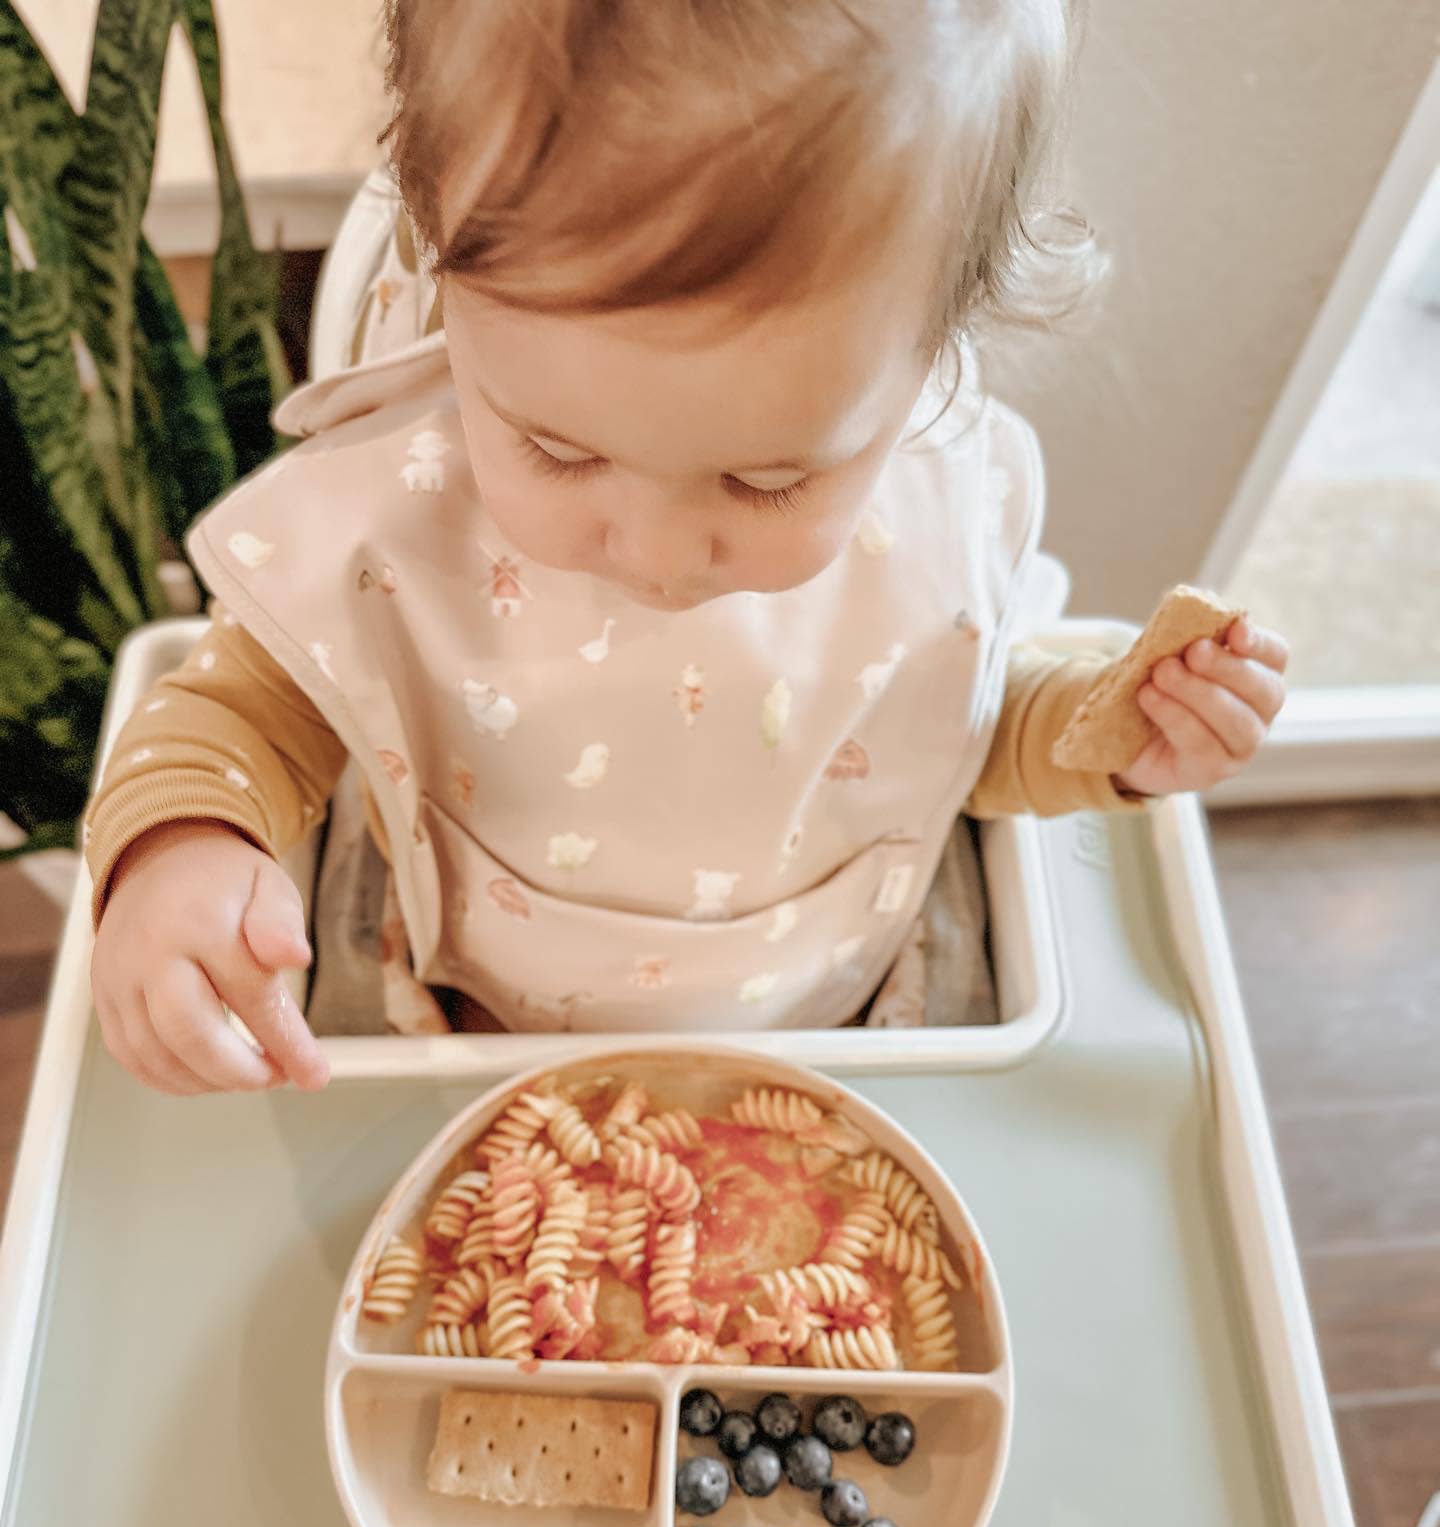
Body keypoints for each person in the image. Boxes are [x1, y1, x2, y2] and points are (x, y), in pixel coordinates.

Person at [85, 0, 1288, 1095]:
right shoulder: (408, 498)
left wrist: (1110, 737)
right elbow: (245, 707)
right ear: (443, 271)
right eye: (557, 450)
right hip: (470, 1039)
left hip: (840, 1038)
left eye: (770, 480)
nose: (660, 556)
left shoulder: (925, 500)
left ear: (934, 345)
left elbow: (962, 730)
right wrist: (182, 847)